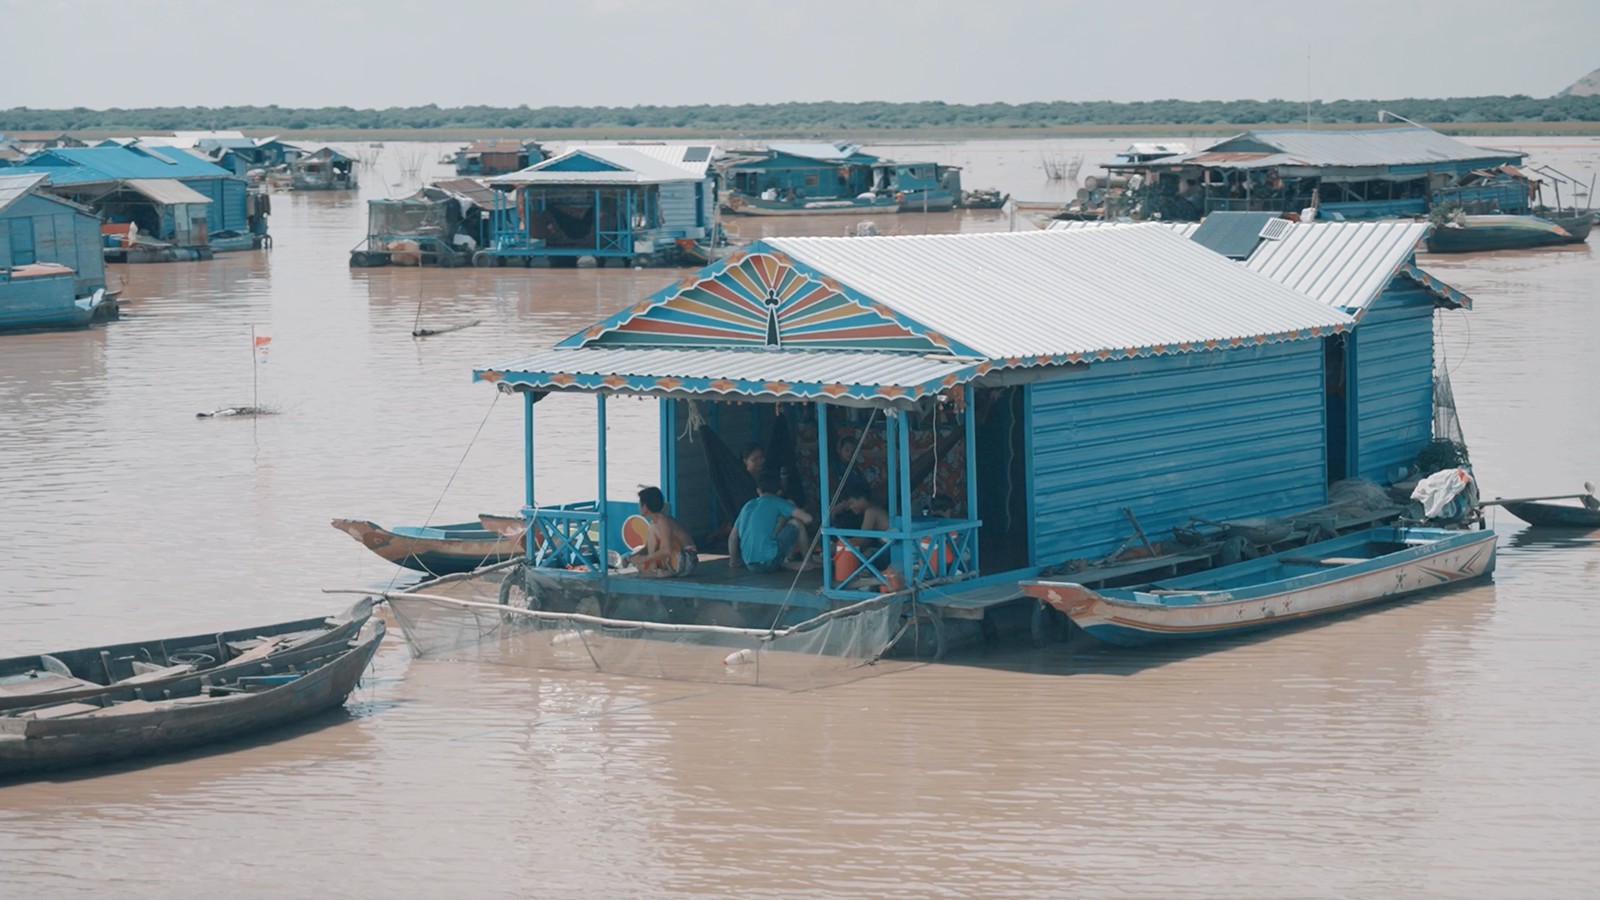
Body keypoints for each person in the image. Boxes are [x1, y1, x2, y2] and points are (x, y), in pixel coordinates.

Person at [729, 471, 814, 574]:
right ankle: (808, 561)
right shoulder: (777, 502)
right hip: (768, 562)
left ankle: (783, 562)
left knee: (778, 522)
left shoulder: (748, 505)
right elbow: (808, 518)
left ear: (758, 490)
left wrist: (734, 561)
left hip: (750, 565)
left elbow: (733, 536)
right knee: (796, 523)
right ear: (779, 492)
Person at [622, 486, 698, 578]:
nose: (639, 506)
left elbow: (666, 550)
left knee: (652, 530)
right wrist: (631, 558)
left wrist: (644, 559)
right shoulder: (656, 521)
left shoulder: (663, 521)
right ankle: (659, 572)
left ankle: (654, 571)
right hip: (676, 561)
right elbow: (648, 548)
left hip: (685, 559)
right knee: (639, 556)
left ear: (645, 506)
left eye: (640, 504)